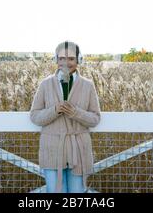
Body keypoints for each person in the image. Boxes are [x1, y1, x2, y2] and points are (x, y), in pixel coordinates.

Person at [30, 41, 101, 193]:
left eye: (70, 58)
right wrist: (54, 110)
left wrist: (75, 113)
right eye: (61, 58)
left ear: (78, 60)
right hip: (52, 149)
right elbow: (35, 116)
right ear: (56, 60)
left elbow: (95, 118)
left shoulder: (88, 85)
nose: (65, 63)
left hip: (79, 151)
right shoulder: (45, 84)